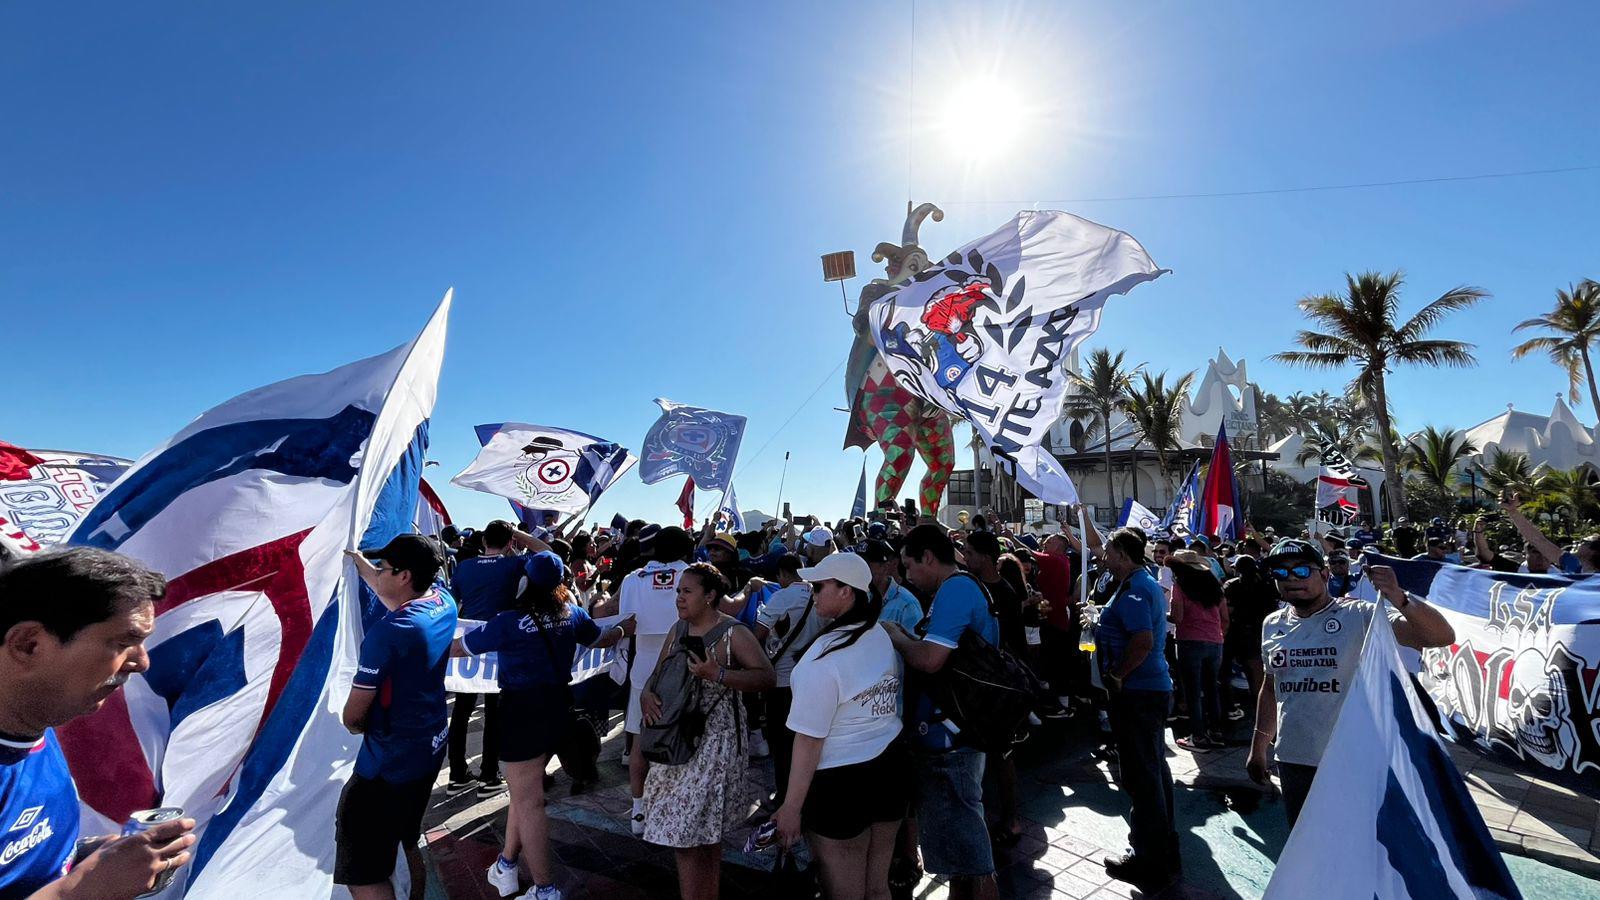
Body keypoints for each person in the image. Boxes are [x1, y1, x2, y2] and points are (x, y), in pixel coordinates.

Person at [0, 548, 199, 899]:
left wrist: (91, 858)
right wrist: (82, 889)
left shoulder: (36, 723)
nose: (142, 662)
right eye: (124, 642)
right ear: (28, 644)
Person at [455, 551, 636, 900]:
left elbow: (460, 648)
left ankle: (545, 889)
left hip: (521, 713)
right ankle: (506, 865)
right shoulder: (572, 613)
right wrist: (621, 628)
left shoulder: (507, 621)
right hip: (558, 707)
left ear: (524, 582)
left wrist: (417, 647)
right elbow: (601, 639)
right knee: (523, 795)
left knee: (529, 801)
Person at [1247, 539, 1457, 827]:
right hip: (1294, 760)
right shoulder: (1272, 623)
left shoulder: (1358, 615)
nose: (1292, 579)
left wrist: (1399, 596)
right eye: (1281, 574)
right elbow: (1271, 688)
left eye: (1302, 570)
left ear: (1324, 574)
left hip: (1353, 761)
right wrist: (1259, 745)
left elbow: (1439, 636)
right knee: (1307, 852)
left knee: (1360, 854)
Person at [773, 552, 909, 900]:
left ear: (847, 592)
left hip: (841, 783)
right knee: (878, 889)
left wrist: (790, 807)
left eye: (819, 585)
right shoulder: (878, 635)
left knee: (845, 892)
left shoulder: (822, 659)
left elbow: (808, 741)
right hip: (890, 769)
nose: (812, 592)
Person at [639, 563, 775, 900]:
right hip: (677, 742)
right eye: (678, 592)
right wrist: (645, 696)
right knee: (688, 834)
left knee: (698, 835)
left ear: (710, 596)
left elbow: (766, 677)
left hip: (716, 743)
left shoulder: (734, 633)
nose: (679, 598)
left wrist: (719, 675)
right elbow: (656, 674)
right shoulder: (678, 629)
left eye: (687, 591)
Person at [881, 525, 1000, 900]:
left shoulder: (956, 590)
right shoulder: (960, 588)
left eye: (909, 565)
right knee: (961, 845)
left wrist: (898, 637)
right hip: (959, 727)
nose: (907, 575)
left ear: (928, 558)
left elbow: (931, 660)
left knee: (969, 843)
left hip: (955, 734)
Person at [339, 535, 457, 900]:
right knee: (406, 841)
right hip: (430, 748)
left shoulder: (391, 632)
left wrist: (355, 724)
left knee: (363, 873)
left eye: (385, 568)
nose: (378, 574)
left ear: (405, 575)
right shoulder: (443, 600)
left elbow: (353, 715)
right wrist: (359, 561)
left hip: (387, 767)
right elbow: (384, 587)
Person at [592, 525, 694, 836]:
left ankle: (638, 811)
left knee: (638, 743)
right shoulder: (694, 576)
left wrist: (600, 597)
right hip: (686, 670)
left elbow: (602, 613)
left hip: (643, 671)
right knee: (685, 742)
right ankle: (680, 809)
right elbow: (729, 607)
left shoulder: (633, 579)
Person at [1089, 529, 1177, 889]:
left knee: (1141, 776)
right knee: (1153, 770)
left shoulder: (1138, 588)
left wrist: (1116, 674)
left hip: (1139, 692)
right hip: (1146, 691)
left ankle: (1148, 858)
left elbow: (1143, 641)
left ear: (1123, 553)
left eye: (1108, 551)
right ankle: (1162, 846)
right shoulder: (1134, 584)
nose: (1104, 557)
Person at [445, 520, 525, 795]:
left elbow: (452, 604)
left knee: (462, 709)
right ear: (509, 542)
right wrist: (517, 541)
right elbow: (547, 554)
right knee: (494, 711)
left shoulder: (464, 566)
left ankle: (457, 774)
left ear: (482, 542)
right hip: (498, 643)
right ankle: (488, 775)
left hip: (467, 643)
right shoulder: (512, 564)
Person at [754, 553, 828, 805]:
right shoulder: (819, 594)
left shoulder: (781, 597)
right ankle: (809, 792)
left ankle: (785, 795)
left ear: (782, 575)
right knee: (808, 739)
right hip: (813, 680)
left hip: (782, 681)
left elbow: (759, 634)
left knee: (782, 743)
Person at [1167, 549, 1228, 751]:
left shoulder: (1180, 586)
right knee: (1212, 688)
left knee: (1193, 691)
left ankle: (1198, 736)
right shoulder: (1214, 587)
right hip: (1215, 642)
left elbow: (1177, 617)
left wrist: (1162, 615)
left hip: (1190, 641)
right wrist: (1218, 636)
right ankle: (1216, 731)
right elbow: (1225, 619)